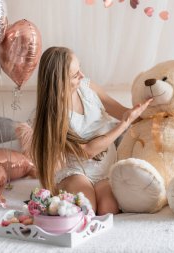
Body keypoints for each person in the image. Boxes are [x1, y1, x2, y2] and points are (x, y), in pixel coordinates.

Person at [31, 46, 152, 215]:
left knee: (108, 210)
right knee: (87, 209)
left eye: (79, 69)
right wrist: (124, 124)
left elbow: (119, 110)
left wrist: (148, 112)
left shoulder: (88, 87)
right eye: (75, 75)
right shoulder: (51, 115)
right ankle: (62, 190)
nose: (81, 75)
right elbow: (87, 151)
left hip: (105, 170)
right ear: (59, 82)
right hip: (77, 171)